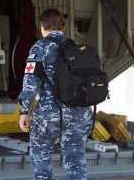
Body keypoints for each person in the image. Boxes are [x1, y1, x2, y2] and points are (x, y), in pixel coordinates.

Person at [18, 9, 93, 180]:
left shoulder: (40, 47)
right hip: (79, 114)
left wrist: (24, 111)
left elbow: (31, 84)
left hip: (49, 114)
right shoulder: (76, 47)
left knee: (41, 158)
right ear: (63, 27)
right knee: (76, 161)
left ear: (42, 26)